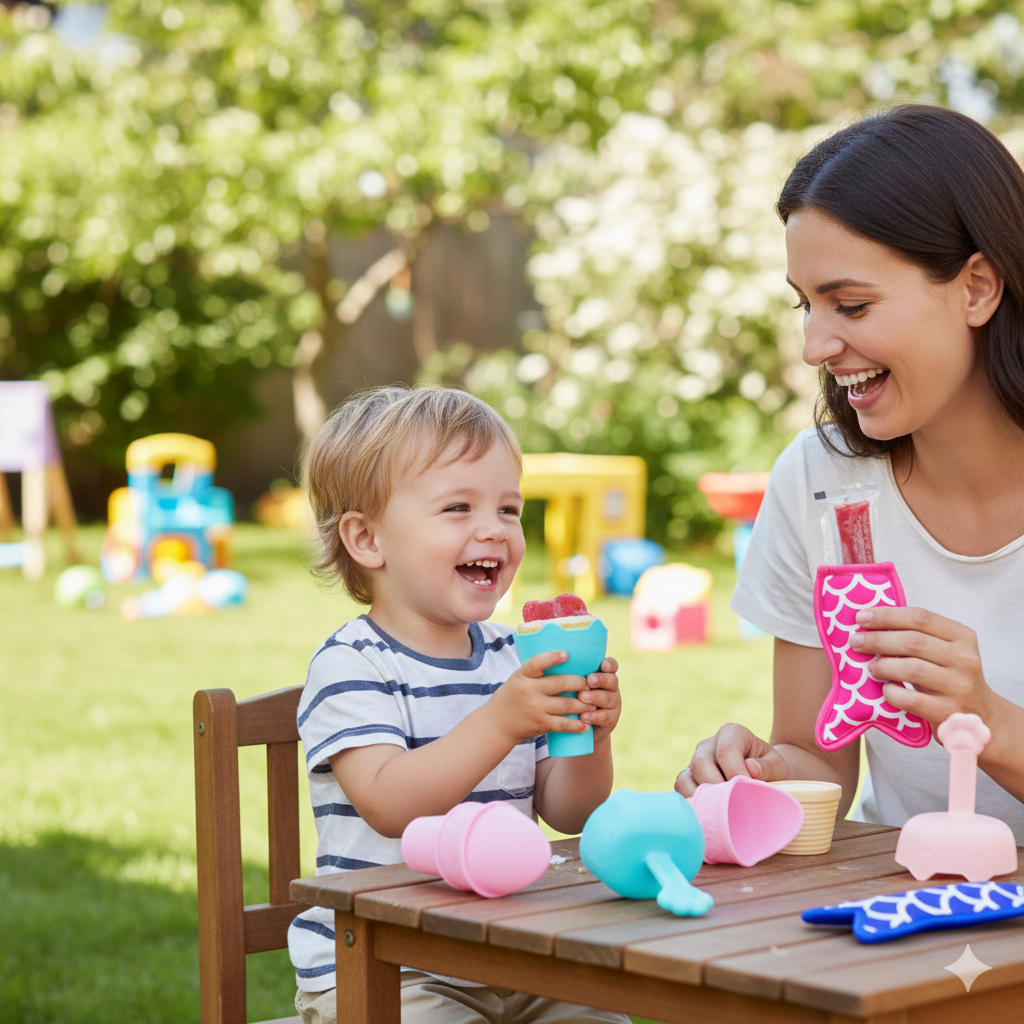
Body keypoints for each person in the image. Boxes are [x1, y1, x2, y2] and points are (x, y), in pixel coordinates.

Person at [675, 105, 1024, 844]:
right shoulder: (820, 481)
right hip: (910, 918)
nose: (814, 345)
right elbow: (819, 755)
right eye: (806, 305)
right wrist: (763, 772)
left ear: (978, 288)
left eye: (851, 304)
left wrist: (987, 721)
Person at [288, 386, 629, 1024]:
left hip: (514, 949)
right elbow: (392, 805)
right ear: (366, 539)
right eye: (457, 507)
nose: (493, 530)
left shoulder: (512, 655)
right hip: (386, 965)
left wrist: (589, 735)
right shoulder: (352, 665)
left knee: (601, 1015)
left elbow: (568, 812)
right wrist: (503, 720)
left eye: (508, 508)